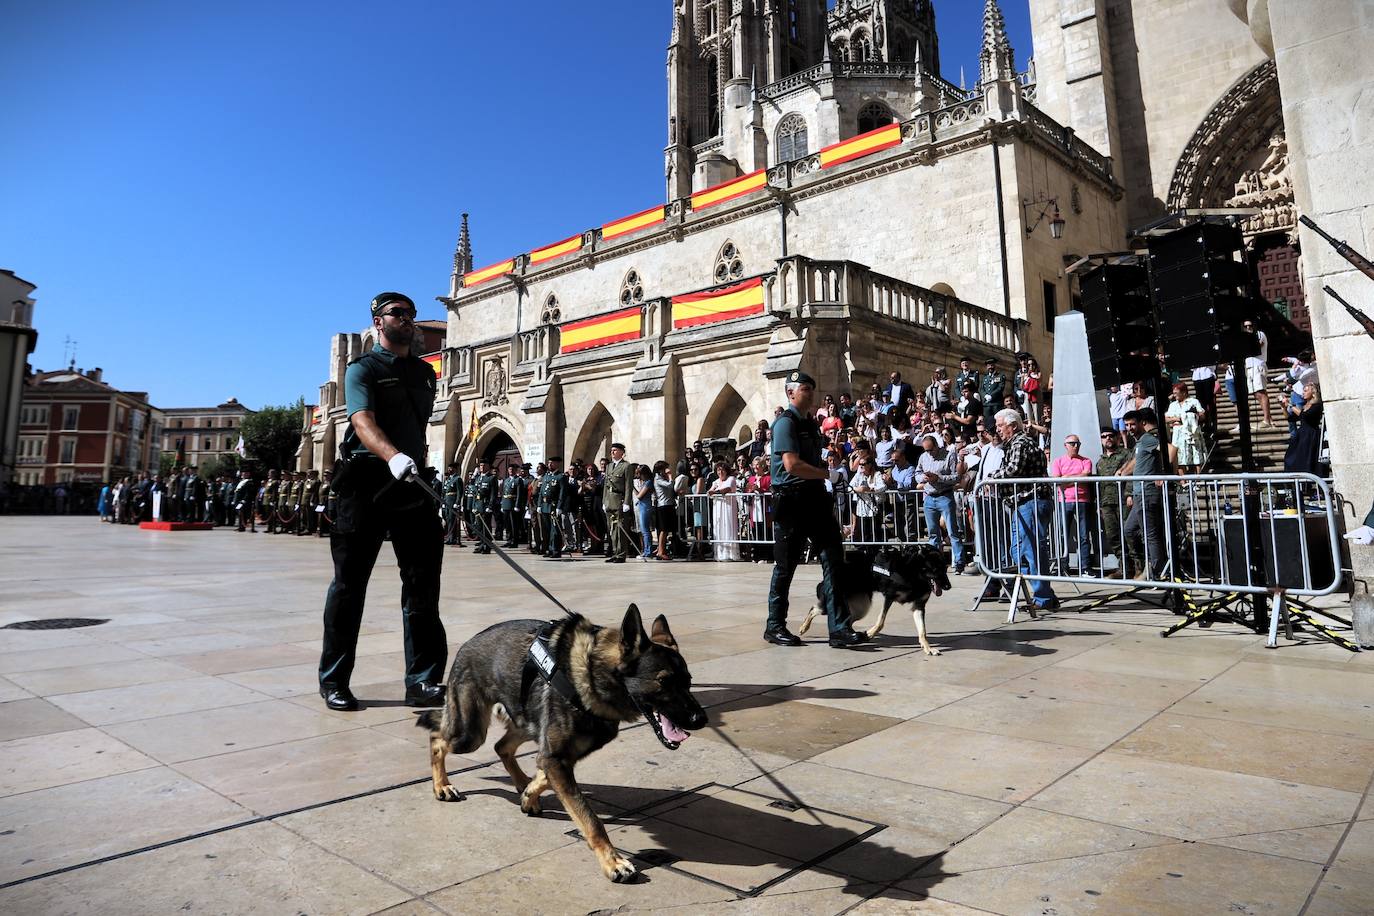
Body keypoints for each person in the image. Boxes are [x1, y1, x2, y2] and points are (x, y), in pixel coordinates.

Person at [319, 291, 446, 712]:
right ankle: (334, 679)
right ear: (378, 322)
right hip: (367, 483)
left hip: (411, 482)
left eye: (411, 314)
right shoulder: (363, 369)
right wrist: (392, 456)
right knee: (349, 588)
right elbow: (362, 420)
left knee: (423, 585)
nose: (408, 319)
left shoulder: (426, 374)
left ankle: (423, 680)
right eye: (398, 313)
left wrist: (413, 462)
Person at [764, 370, 863, 649]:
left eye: (811, 388)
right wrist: (826, 475)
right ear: (790, 392)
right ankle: (774, 625)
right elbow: (791, 465)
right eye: (805, 388)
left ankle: (840, 628)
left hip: (815, 499)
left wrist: (824, 478)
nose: (810, 392)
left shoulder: (809, 423)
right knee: (785, 566)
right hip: (792, 500)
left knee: (833, 560)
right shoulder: (785, 423)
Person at [988, 407, 1058, 611]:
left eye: (1000, 425)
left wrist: (991, 477)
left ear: (1013, 425)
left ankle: (1043, 598)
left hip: (1031, 501)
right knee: (1018, 552)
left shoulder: (1021, 442)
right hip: (1022, 504)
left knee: (1032, 551)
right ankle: (1046, 593)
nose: (997, 430)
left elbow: (1013, 470)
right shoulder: (1012, 444)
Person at [1117, 408, 1171, 580]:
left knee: (1151, 534)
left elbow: (1170, 450)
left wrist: (1163, 474)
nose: (1130, 428)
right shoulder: (1140, 443)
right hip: (1138, 493)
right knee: (1129, 529)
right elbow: (1137, 461)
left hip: (1147, 492)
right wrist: (1123, 471)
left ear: (1142, 423)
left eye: (1133, 424)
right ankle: (1148, 566)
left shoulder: (1148, 438)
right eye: (1126, 425)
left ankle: (1157, 572)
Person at [917, 433, 968, 573]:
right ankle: (935, 564)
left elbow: (956, 477)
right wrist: (922, 478)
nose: (928, 453)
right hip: (929, 497)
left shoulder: (949, 455)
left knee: (952, 532)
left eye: (930, 450)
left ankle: (959, 563)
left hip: (945, 496)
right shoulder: (923, 457)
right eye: (926, 450)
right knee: (933, 534)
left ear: (937, 446)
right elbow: (917, 473)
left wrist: (937, 478)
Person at [1051, 435, 1095, 574]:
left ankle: (1085, 568)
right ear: (1065, 445)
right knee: (1062, 534)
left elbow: (1086, 475)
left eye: (1078, 443)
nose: (1075, 446)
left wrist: (1066, 479)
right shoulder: (1058, 461)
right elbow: (1057, 481)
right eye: (1072, 443)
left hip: (1082, 500)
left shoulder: (1086, 460)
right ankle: (1063, 567)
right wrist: (1076, 477)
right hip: (1064, 500)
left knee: (1083, 535)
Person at [1095, 429, 1130, 577]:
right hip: (1106, 503)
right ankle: (1124, 567)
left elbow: (1131, 475)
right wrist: (1099, 505)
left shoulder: (1126, 455)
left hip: (1123, 500)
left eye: (1110, 436)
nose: (1107, 438)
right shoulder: (1100, 461)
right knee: (1113, 536)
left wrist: (1129, 495)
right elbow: (1098, 485)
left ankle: (1138, 567)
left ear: (1117, 438)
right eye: (1104, 436)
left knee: (1129, 534)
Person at [1164, 381, 1206, 475]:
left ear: (1183, 392)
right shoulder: (1173, 405)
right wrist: (1176, 418)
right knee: (1180, 457)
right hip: (1178, 432)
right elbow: (1165, 418)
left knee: (1196, 455)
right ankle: (1183, 482)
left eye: (1176, 393)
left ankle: (1198, 479)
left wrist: (1195, 415)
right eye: (1173, 393)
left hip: (1192, 432)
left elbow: (1202, 415)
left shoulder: (1193, 401)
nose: (1174, 395)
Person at [1283, 382, 1324, 475]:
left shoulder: (1317, 406)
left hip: (1310, 434)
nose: (1303, 393)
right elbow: (1291, 418)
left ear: (1313, 393)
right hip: (1301, 434)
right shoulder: (1305, 405)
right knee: (1290, 458)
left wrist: (1290, 405)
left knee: (1307, 459)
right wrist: (1284, 408)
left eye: (1306, 391)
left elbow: (1305, 416)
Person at [601, 443, 632, 563]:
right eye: (612, 450)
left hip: (619, 499)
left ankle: (621, 554)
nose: (612, 452)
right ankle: (615, 552)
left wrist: (627, 502)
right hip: (609, 499)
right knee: (611, 529)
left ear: (621, 452)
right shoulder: (609, 466)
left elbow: (628, 485)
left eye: (615, 450)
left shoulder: (626, 466)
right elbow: (605, 486)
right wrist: (604, 500)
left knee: (620, 528)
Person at [1243, 319, 1273, 427]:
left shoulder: (1259, 334)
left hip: (1258, 365)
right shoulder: (1245, 338)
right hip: (1250, 367)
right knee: (1256, 394)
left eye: (1250, 326)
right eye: (1245, 326)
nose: (1248, 328)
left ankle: (1267, 420)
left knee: (1261, 392)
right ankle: (1268, 418)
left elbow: (1257, 346)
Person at [708, 462, 741, 561]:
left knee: (728, 526)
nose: (720, 472)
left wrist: (715, 492)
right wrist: (712, 491)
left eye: (722, 470)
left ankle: (731, 554)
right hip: (718, 507)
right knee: (719, 527)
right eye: (718, 470)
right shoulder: (716, 482)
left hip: (728, 507)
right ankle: (720, 554)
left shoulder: (731, 479)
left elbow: (727, 489)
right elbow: (710, 492)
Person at [980, 358, 1006, 433]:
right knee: (987, 422)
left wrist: (991, 395)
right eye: (988, 365)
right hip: (987, 404)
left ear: (994, 365)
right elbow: (981, 389)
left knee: (997, 422)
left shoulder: (1000, 376)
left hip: (996, 403)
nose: (990, 367)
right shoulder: (985, 378)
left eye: (992, 365)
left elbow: (1000, 387)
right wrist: (985, 395)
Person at [441, 464, 463, 546]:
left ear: (455, 469)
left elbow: (459, 492)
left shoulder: (457, 479)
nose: (449, 469)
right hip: (447, 502)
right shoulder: (449, 479)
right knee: (448, 519)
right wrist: (443, 502)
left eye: (451, 468)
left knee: (452, 520)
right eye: (449, 468)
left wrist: (457, 502)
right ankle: (449, 537)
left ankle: (452, 538)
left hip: (452, 502)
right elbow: (444, 491)